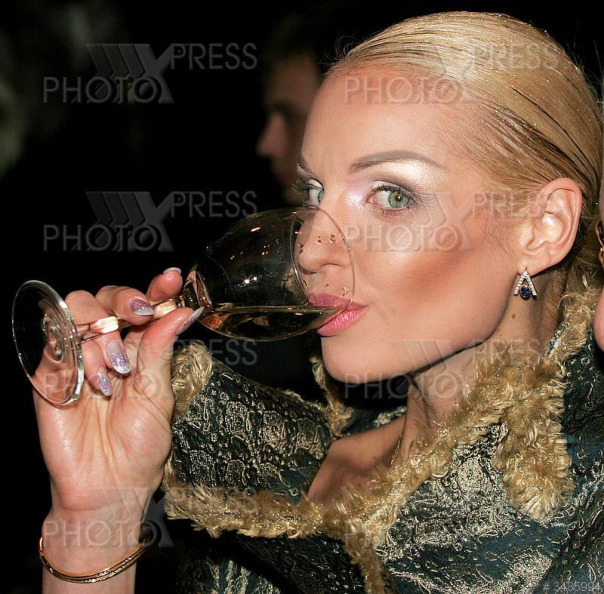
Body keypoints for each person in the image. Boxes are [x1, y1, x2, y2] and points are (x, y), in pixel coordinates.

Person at [30, 10, 603, 593]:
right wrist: (97, 514)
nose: (307, 252)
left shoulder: (582, 523)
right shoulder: (274, 477)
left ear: (544, 226)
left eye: (391, 196)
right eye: (313, 192)